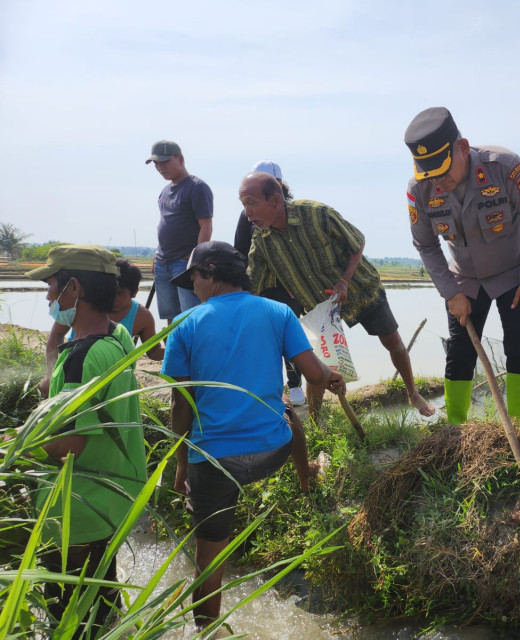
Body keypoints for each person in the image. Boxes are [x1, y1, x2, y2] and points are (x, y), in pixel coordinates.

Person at [160, 240, 345, 630]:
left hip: (213, 465)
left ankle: (207, 632)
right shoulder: (277, 312)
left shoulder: (186, 324)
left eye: (193, 276)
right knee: (286, 408)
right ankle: (305, 476)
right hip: (271, 452)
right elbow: (314, 374)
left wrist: (181, 467)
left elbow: (181, 405)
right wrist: (331, 376)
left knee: (209, 566)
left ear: (210, 274)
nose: (191, 285)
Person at [240, 172, 436, 421]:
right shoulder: (262, 241)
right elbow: (254, 286)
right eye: (244, 204)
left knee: (392, 340)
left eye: (251, 203)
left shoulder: (316, 214)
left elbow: (357, 242)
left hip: (359, 288)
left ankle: (413, 393)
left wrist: (344, 281)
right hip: (319, 306)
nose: (247, 212)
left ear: (276, 200)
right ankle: (315, 421)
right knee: (319, 363)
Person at [25, 244, 146, 637]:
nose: (47, 296)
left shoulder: (79, 358)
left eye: (52, 286)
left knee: (69, 623)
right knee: (103, 609)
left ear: (74, 288)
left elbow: (71, 444)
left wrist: (23, 444)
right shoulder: (118, 336)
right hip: (113, 500)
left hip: (77, 512)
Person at [403, 107, 520, 426]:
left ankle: (519, 430)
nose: (438, 181)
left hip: (515, 274)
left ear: (463, 148)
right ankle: (456, 428)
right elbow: (426, 244)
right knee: (460, 353)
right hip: (464, 281)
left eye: (443, 170)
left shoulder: (504, 167)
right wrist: (450, 293)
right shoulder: (419, 190)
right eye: (429, 173)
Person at [234, 160, 305, 405]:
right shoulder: (248, 216)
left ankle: (295, 386)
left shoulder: (294, 213)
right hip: (260, 287)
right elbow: (240, 252)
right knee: (264, 337)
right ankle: (268, 387)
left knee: (290, 335)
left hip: (289, 287)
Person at [38, 258, 165, 395]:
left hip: (113, 380)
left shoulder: (142, 317)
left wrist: (173, 347)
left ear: (134, 292)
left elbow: (153, 352)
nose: (113, 298)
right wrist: (50, 374)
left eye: (120, 293)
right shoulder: (85, 307)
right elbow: (56, 335)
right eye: (112, 291)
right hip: (76, 370)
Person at [146, 140, 213, 322]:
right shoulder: (165, 192)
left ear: (181, 159)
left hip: (183, 264)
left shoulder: (197, 187)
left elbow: (205, 226)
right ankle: (173, 350)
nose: (160, 167)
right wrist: (156, 257)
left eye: (165, 162)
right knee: (171, 319)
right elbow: (166, 226)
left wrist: (196, 261)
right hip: (162, 262)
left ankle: (195, 351)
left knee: (190, 316)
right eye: (156, 164)